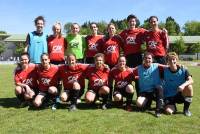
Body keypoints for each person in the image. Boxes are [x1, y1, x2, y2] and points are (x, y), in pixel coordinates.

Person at [133, 52, 164, 117]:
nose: (147, 60)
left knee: (159, 88)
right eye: (146, 58)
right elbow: (129, 70)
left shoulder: (156, 66)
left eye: (149, 58)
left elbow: (169, 67)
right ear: (143, 59)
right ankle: (148, 102)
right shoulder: (138, 68)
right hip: (145, 92)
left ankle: (158, 110)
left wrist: (179, 66)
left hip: (155, 91)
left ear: (152, 60)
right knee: (139, 104)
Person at [162, 52, 193, 116]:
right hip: (169, 95)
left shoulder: (183, 69)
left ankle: (186, 110)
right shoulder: (164, 71)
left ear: (176, 60)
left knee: (189, 87)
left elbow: (191, 80)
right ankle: (172, 106)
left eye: (173, 59)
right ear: (167, 61)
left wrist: (182, 85)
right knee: (169, 112)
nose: (172, 61)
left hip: (180, 94)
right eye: (169, 60)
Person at [47, 22, 67, 109]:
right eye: (55, 29)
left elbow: (65, 49)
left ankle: (58, 98)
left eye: (58, 29)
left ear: (60, 30)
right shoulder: (48, 39)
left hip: (61, 62)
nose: (56, 30)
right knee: (52, 80)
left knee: (60, 81)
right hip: (51, 63)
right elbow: (47, 51)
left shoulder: (63, 39)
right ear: (52, 29)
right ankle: (52, 98)